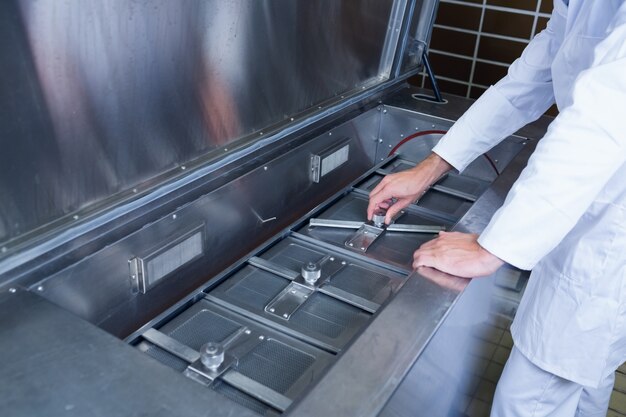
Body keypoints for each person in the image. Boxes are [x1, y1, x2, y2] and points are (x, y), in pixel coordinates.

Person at [368, 1, 626, 415]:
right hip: (591, 206)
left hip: (610, 235)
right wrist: (432, 167)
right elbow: (531, 77)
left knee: (530, 398)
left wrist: (493, 248)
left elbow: (599, 122)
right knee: (583, 376)